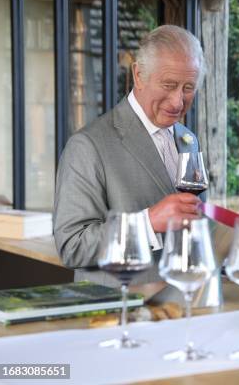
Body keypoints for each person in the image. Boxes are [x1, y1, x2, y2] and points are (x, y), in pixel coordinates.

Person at [54, 25, 205, 287]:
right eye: (169, 85)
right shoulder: (87, 145)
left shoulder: (187, 139)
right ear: (139, 75)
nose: (178, 101)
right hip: (118, 311)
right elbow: (72, 246)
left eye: (188, 87)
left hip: (184, 305)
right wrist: (146, 224)